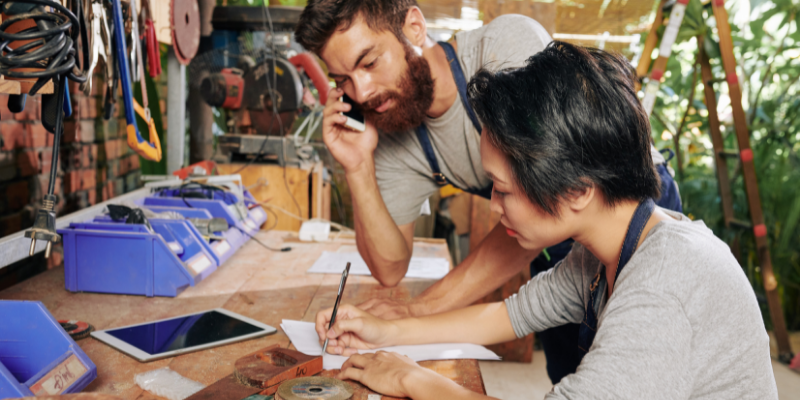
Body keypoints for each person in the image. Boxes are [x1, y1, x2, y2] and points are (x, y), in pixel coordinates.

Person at [313, 42, 778, 399]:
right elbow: (507, 315)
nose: (493, 206)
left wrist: (416, 380)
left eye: (503, 190)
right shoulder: (600, 255)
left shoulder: (663, 285)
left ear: (577, 190)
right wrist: (384, 333)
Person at [295, 0, 682, 384]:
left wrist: (419, 317)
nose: (360, 92)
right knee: (572, 373)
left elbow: (547, 199)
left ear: (414, 27)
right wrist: (358, 167)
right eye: (342, 79)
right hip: (554, 239)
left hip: (626, 208)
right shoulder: (394, 128)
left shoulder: (505, 49)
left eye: (369, 62)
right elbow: (394, 269)